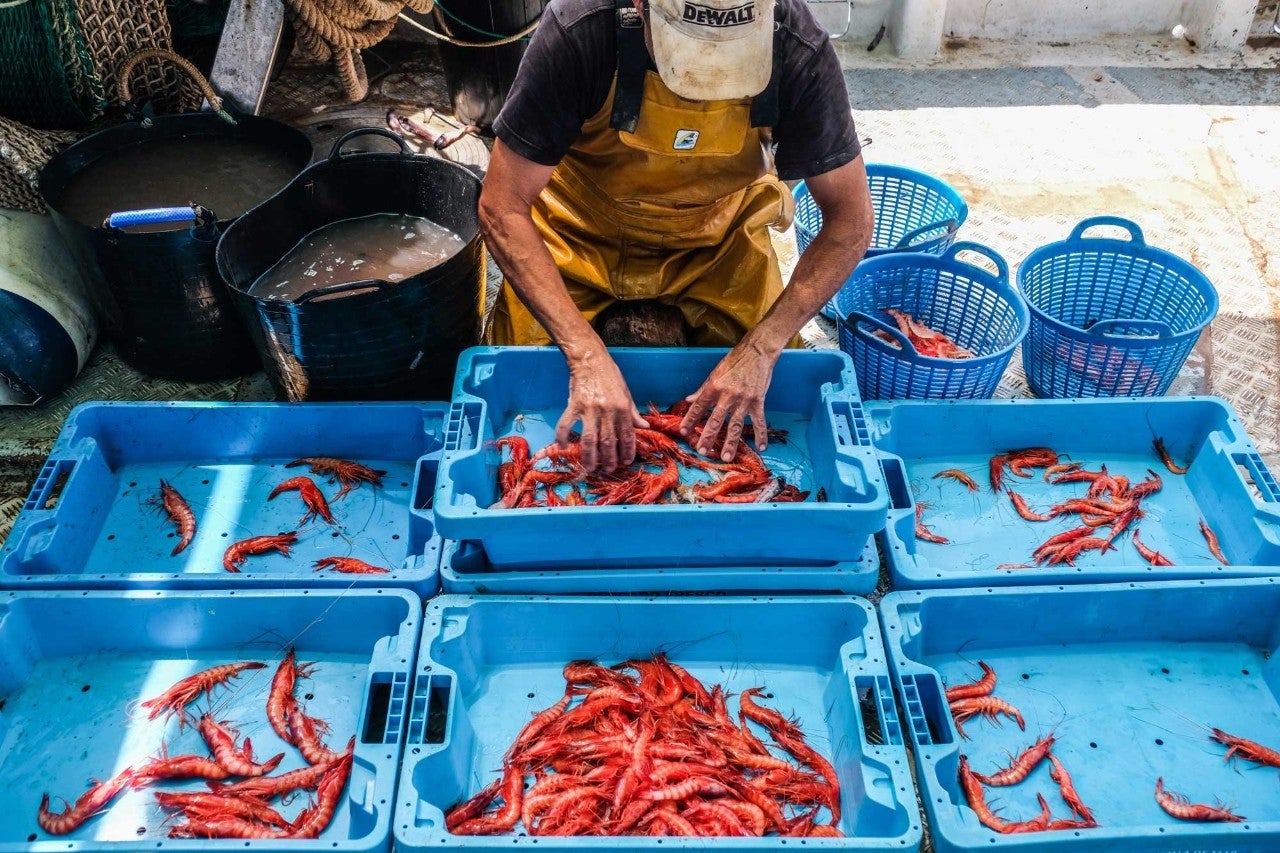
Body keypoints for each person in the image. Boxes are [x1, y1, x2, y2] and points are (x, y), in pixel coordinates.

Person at [480, 0, 874, 471]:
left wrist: (762, 346)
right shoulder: (580, 28)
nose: (707, 77)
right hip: (577, 233)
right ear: (639, 7)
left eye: (730, 56)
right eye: (689, 53)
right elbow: (502, 207)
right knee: (511, 392)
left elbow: (850, 220)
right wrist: (583, 355)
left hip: (719, 243)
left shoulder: (797, 44)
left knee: (782, 385)